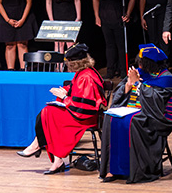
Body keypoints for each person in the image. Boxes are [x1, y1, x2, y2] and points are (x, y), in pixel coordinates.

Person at [17, 44, 107, 174]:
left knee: (49, 113)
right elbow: (75, 91)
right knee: (48, 112)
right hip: (78, 113)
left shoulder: (86, 77)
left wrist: (64, 97)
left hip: (86, 118)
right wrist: (64, 91)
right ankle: (53, 157)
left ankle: (40, 147)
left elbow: (84, 105)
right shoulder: (83, 72)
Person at [100, 44, 172, 184]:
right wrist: (128, 85)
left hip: (154, 117)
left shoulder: (167, 79)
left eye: (142, 63)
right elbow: (119, 96)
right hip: (133, 111)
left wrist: (138, 84)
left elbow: (156, 104)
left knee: (132, 121)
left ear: (150, 64)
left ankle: (134, 169)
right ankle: (113, 168)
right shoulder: (137, 73)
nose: (139, 66)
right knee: (110, 117)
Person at [92, 0, 136, 79]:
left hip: (119, 17)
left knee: (121, 45)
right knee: (109, 45)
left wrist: (128, 13)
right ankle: (110, 71)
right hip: (105, 16)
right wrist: (96, 16)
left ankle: (123, 71)